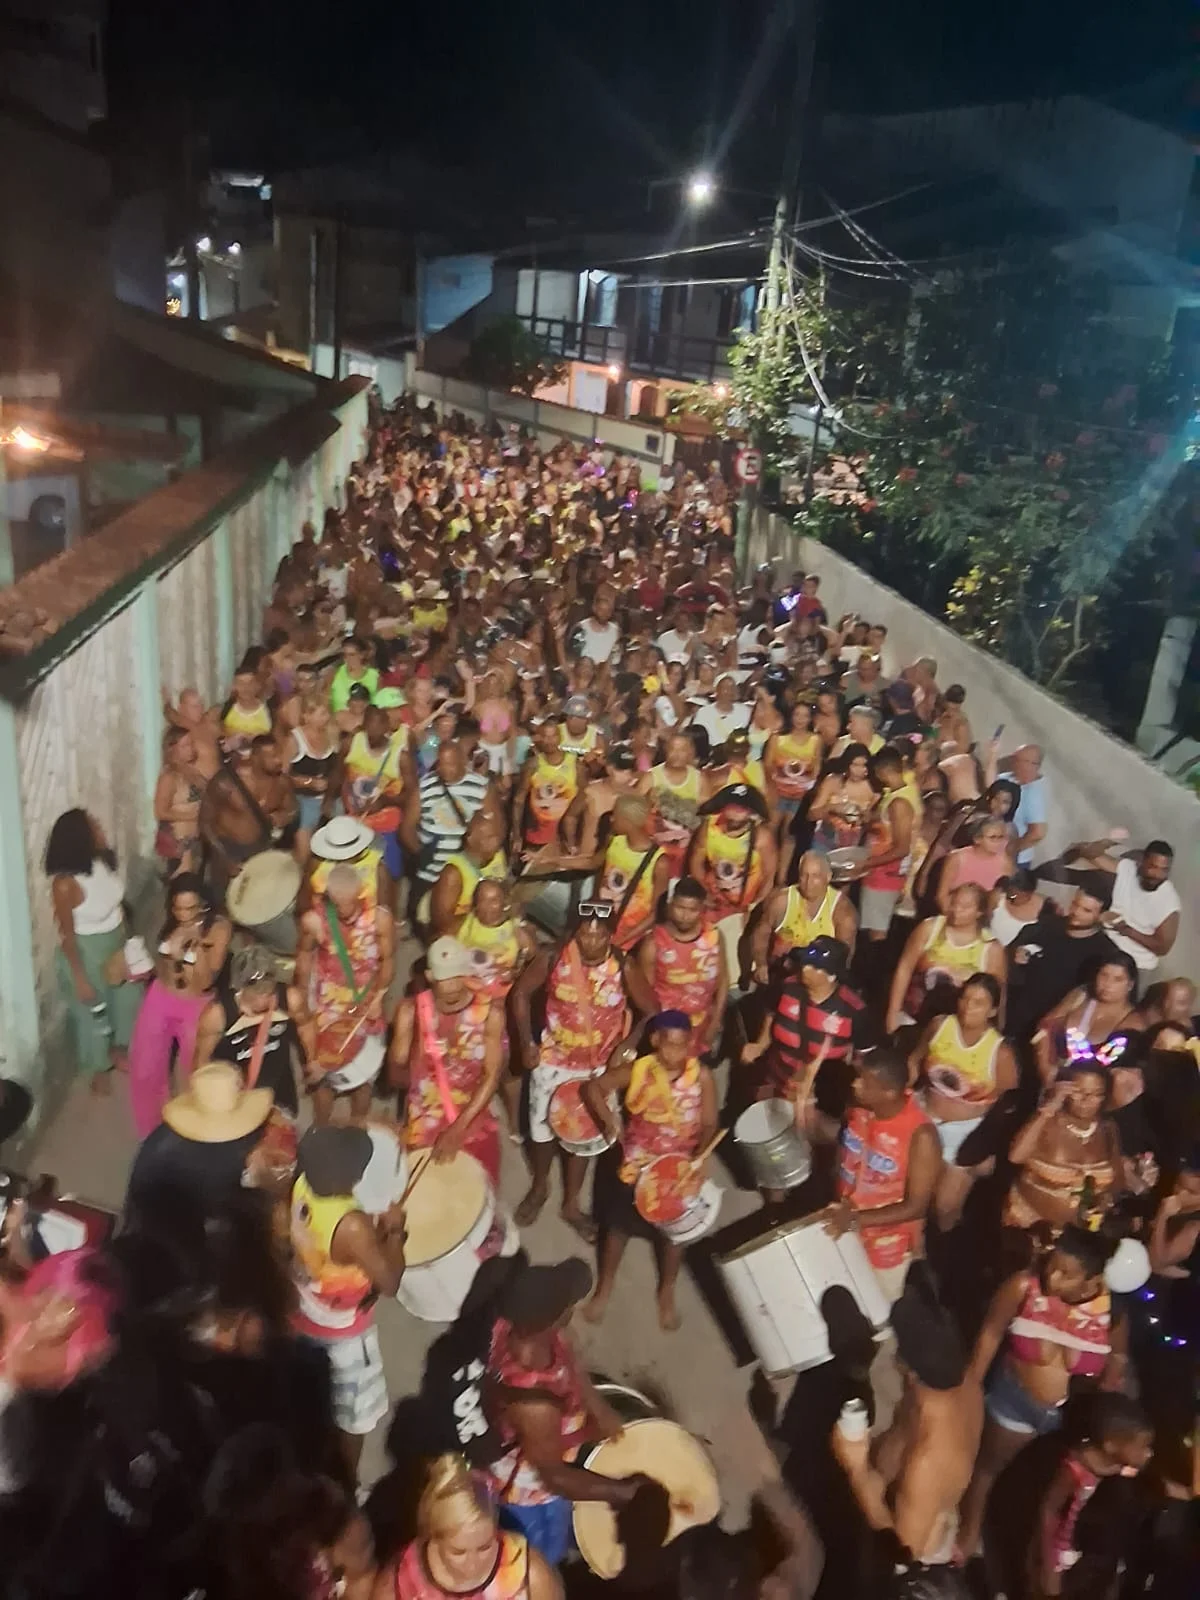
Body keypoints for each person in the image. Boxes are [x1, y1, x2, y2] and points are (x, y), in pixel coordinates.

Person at [957, 1226, 1130, 1563]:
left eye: (1067, 1273)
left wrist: (1102, 1408)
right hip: (1015, 1402)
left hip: (1068, 1419)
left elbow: (1118, 1357)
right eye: (1053, 1264)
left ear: (1092, 1281)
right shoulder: (1024, 1286)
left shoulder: (1113, 1311)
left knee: (1038, 1487)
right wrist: (971, 1389)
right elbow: (990, 1333)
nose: (1053, 1276)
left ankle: (1015, 1550)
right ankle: (969, 1534)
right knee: (988, 1469)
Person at [484, 1257, 649, 1565]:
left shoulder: (526, 1327)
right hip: (526, 1489)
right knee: (540, 1551)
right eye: (568, 1305)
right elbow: (554, 1479)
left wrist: (599, 1408)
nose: (572, 1308)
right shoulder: (534, 1403)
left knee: (558, 1527)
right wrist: (623, 1493)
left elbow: (569, 1358)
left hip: (548, 1450)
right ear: (549, 1320)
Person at [831, 1264, 983, 1584]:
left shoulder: (926, 1464)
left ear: (908, 1369)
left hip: (913, 1546)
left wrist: (856, 1470)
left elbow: (902, 1557)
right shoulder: (962, 1382)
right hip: (901, 1490)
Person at [582, 1011, 719, 1330]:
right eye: (670, 1045)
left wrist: (701, 1154)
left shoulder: (701, 1077)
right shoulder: (637, 1070)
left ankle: (666, 1290)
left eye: (683, 1046)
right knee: (617, 1228)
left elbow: (710, 1122)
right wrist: (609, 1123)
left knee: (674, 1236)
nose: (676, 1053)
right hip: (638, 1163)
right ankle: (605, 1286)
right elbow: (594, 1089)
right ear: (656, 1040)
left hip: (678, 1167)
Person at [290, 1124, 407, 1477]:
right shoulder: (353, 1226)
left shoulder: (303, 1183)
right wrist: (394, 1230)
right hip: (343, 1330)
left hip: (307, 1306)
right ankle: (346, 1482)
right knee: (355, 1416)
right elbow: (390, 1283)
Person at [512, 903, 630, 1237]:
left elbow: (650, 1007)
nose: (591, 941)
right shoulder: (553, 957)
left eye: (599, 935)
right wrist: (526, 1042)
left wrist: (626, 1045)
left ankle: (571, 1204)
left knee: (581, 1135)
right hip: (553, 1060)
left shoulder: (623, 965)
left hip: (596, 1067)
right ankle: (539, 1187)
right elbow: (520, 994)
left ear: (610, 935)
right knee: (542, 1131)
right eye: (584, 934)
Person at [813, 1048, 941, 1304]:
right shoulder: (858, 1109)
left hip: (886, 1245)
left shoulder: (921, 1136)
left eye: (864, 1082)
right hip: (843, 1223)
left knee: (878, 1308)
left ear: (889, 1092)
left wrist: (854, 1219)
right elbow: (843, 1153)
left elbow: (916, 1206)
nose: (855, 1084)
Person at [390, 936, 505, 1186]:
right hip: (424, 1116)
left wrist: (457, 1129)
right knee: (424, 1189)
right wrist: (417, 1055)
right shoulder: (410, 1011)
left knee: (477, 1190)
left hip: (473, 1114)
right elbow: (395, 1074)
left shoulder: (490, 1013)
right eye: (444, 978)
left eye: (457, 975)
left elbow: (492, 1076)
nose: (452, 986)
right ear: (430, 976)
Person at [906, 974, 1018, 1230]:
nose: (968, 1007)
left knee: (945, 1207)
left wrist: (984, 1146)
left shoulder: (1000, 1052)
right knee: (912, 1192)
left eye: (979, 1003)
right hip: (923, 1117)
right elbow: (916, 1058)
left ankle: (947, 1247)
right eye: (965, 998)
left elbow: (1007, 1104)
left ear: (992, 1010)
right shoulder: (939, 1026)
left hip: (964, 1132)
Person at [45, 808, 143, 1092]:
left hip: (115, 942)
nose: (101, 831)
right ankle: (97, 1068)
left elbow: (117, 906)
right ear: (79, 838)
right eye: (94, 827)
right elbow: (67, 935)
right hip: (86, 951)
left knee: (127, 1000)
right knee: (94, 1014)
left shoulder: (100, 862)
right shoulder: (65, 885)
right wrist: (80, 978)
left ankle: (119, 1050)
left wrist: (129, 943)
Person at [127, 874, 231, 1136]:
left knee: (193, 1072)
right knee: (146, 1068)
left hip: (196, 1007)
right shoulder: (171, 923)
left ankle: (192, 1133)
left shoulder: (219, 928)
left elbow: (205, 982)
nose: (184, 915)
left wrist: (193, 947)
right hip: (161, 997)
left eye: (190, 908)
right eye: (178, 908)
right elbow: (162, 969)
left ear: (203, 905)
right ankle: (153, 1132)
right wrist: (170, 960)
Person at [379, 1452, 562, 1600]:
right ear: (432, 1535)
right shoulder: (398, 1585)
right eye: (458, 1552)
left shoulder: (529, 1573)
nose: (473, 1565)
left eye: (485, 1547)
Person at [295, 864, 395, 1126]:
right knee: (324, 1072)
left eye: (349, 903)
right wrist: (302, 1002)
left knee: (364, 1070)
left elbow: (387, 960)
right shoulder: (314, 921)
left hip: (367, 999)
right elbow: (304, 958)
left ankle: (358, 1123)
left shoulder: (379, 918)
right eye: (337, 904)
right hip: (328, 1001)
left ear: (360, 892)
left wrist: (380, 996)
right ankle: (321, 1127)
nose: (344, 911)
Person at [1026, 1393, 1152, 1600]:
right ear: (1110, 1445)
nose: (1148, 1453)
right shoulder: (1073, 1470)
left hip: (1077, 1543)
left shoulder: (1111, 1465)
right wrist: (1050, 1566)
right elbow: (1049, 1510)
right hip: (1058, 1543)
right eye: (1142, 1446)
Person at [193, 942, 307, 1119]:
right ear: (240, 987)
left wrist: (310, 1060)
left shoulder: (290, 999)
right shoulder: (217, 1015)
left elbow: (306, 1026)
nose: (265, 996)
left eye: (269, 989)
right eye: (257, 991)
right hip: (235, 1097)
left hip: (278, 1093)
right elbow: (201, 1062)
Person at [1005, 1067, 1125, 1233]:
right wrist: (1048, 1109)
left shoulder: (1107, 1129)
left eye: (1096, 1094)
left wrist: (1106, 1199)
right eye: (1078, 1091)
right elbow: (1016, 1156)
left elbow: (1118, 1179)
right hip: (1030, 1230)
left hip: (1082, 1235)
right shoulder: (1046, 1123)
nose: (1085, 1100)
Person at [1005, 878, 1120, 1040]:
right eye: (1075, 904)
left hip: (1053, 1032)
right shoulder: (1047, 926)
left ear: (1100, 916)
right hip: (1016, 1021)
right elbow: (1009, 956)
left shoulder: (1104, 952)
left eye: (1086, 910)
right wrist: (1015, 955)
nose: (1076, 912)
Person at [688, 782, 777, 988]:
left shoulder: (762, 837)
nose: (737, 813)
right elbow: (696, 862)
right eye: (732, 807)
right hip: (713, 904)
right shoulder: (708, 830)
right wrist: (703, 893)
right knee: (703, 960)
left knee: (735, 969)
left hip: (743, 910)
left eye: (742, 809)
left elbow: (769, 876)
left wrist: (755, 908)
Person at [886, 883, 1005, 1035]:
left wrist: (995, 1030)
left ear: (979, 912)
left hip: (957, 1028)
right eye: (954, 903)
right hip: (913, 1016)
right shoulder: (929, 928)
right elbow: (905, 968)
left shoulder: (991, 948)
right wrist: (893, 1013)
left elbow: (996, 995)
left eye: (965, 907)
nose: (957, 910)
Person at [627, 877, 727, 1056]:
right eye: (680, 908)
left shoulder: (714, 937)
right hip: (667, 1036)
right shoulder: (654, 943)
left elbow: (723, 980)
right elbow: (646, 997)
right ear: (670, 905)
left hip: (702, 1029)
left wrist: (716, 1021)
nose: (685, 915)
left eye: (692, 910)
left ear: (702, 909)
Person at [200, 733, 299, 896]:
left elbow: (292, 808)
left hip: (260, 849)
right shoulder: (226, 782)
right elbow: (205, 823)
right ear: (255, 758)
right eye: (272, 756)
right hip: (227, 849)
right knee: (224, 901)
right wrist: (224, 858)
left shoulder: (282, 783)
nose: (278, 760)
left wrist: (282, 817)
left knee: (255, 899)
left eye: (279, 754)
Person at [1033, 952, 1144, 1086]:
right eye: (1103, 975)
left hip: (1091, 1090)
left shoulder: (1133, 1023)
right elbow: (1045, 1027)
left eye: (1117, 979)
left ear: (1130, 985)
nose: (1107, 984)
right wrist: (1045, 1067)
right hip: (1051, 1082)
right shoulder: (1081, 995)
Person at [409, 736, 498, 902]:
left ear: (462, 761)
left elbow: (494, 829)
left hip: (462, 875)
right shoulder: (425, 785)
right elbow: (407, 827)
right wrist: (420, 853)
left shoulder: (481, 787)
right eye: (441, 764)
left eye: (450, 764)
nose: (444, 769)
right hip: (429, 873)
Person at [1078, 840, 1182, 981]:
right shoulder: (1128, 868)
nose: (1157, 875)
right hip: (1106, 947)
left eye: (1164, 870)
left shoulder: (1169, 901)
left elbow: (1163, 948)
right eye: (1153, 867)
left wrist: (1126, 930)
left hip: (1136, 965)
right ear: (1143, 861)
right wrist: (1104, 843)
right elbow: (1089, 854)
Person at [750, 851, 858, 984]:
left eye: (815, 876)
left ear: (828, 877)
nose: (808, 882)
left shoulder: (843, 912)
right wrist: (761, 964)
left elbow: (844, 959)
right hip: (780, 978)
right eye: (804, 875)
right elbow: (761, 932)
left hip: (819, 984)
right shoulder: (781, 901)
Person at [857, 746, 922, 942]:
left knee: (876, 933)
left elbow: (901, 848)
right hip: (881, 872)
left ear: (881, 772)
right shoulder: (899, 792)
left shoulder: (899, 803)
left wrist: (865, 864)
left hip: (883, 876)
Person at [428, 810, 510, 937]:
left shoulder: (498, 855)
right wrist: (479, 916)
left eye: (497, 836)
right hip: (463, 933)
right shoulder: (453, 874)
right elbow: (442, 924)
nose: (496, 842)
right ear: (471, 840)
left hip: (493, 925)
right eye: (489, 838)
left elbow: (505, 891)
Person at [639, 729, 707, 879]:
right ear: (665, 751)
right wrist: (648, 801)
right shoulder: (651, 777)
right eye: (673, 749)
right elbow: (635, 812)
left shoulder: (699, 779)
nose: (677, 755)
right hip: (654, 850)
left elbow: (706, 818)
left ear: (691, 753)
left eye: (682, 750)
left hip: (685, 853)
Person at [510, 719, 578, 866]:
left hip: (564, 839)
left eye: (553, 736)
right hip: (537, 836)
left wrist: (572, 837)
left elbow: (582, 799)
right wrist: (516, 835)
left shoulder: (575, 764)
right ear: (539, 738)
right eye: (545, 736)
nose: (549, 741)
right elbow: (519, 800)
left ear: (560, 737)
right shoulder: (532, 764)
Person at [286, 693, 341, 856]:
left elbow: (338, 769)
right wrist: (308, 782)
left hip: (331, 797)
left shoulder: (332, 733)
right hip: (304, 799)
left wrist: (330, 795)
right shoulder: (294, 739)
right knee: (304, 845)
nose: (326, 717)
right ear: (306, 716)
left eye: (327, 712)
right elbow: (282, 776)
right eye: (322, 714)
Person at [153, 726, 207, 877]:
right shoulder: (169, 777)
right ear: (172, 749)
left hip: (197, 839)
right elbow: (160, 812)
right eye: (185, 745)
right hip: (179, 844)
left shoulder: (193, 771)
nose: (191, 748)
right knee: (184, 885)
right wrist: (193, 816)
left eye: (191, 743)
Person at [808, 744, 877, 854]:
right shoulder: (832, 781)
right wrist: (832, 807)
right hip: (825, 842)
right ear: (847, 764)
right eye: (855, 765)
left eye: (863, 765)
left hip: (856, 847)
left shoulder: (874, 787)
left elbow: (879, 821)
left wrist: (866, 816)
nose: (859, 770)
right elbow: (812, 815)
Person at [936, 816, 1014, 911]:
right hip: (954, 911)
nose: (998, 842)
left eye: (1001, 837)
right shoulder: (957, 858)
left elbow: (1004, 897)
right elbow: (942, 896)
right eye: (993, 837)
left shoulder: (1006, 863)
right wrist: (954, 916)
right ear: (977, 839)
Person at [1005, 744, 1048, 867]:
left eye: (1017, 760)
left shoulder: (1034, 793)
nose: (1013, 763)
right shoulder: (1007, 778)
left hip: (1015, 861)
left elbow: (1038, 832)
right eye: (1015, 759)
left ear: (1036, 765)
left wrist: (1010, 851)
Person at [221, 659, 274, 756]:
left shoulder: (269, 709)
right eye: (241, 683)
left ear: (257, 685)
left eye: (250, 682)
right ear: (234, 686)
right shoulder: (224, 709)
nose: (246, 687)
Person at [691, 673, 751, 748]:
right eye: (726, 688)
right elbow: (698, 738)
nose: (730, 691)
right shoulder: (703, 713)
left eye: (732, 688)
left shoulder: (745, 711)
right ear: (717, 691)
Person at [330, 634, 380, 713]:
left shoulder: (375, 676)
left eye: (352, 655)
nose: (347, 659)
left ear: (362, 655)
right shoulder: (333, 674)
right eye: (344, 655)